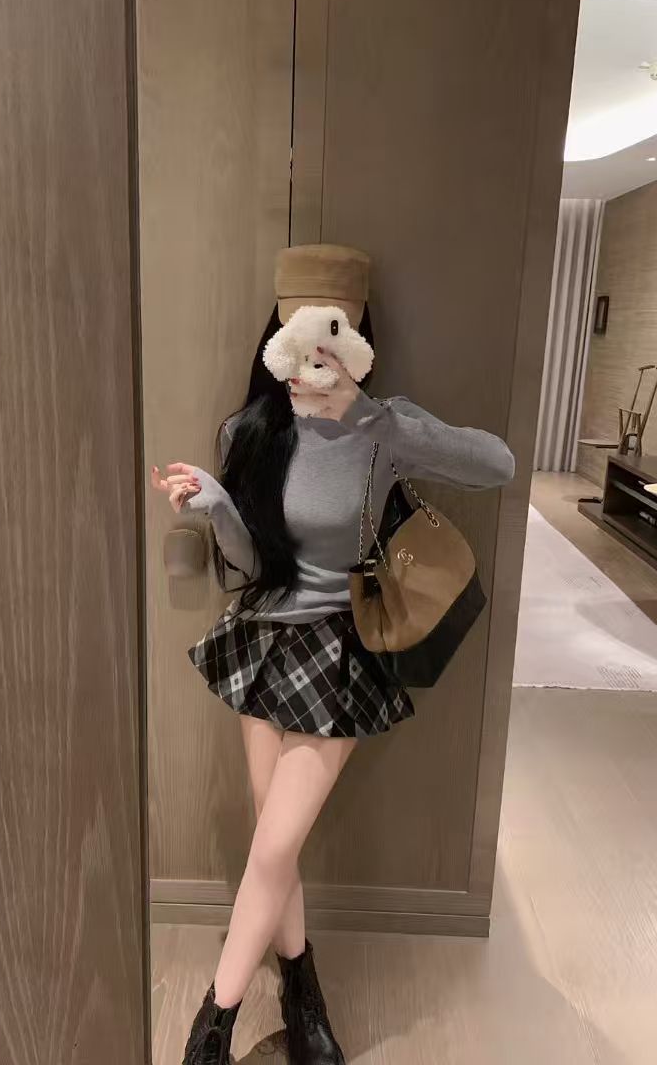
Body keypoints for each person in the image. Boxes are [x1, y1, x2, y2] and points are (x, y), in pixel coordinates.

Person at [151, 245, 515, 1065]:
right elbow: (251, 564)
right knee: (273, 845)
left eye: (332, 333)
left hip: (340, 650)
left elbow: (498, 465)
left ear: (355, 336)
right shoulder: (251, 428)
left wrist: (373, 413)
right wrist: (214, 503)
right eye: (298, 333)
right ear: (276, 335)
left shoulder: (381, 429)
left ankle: (211, 1028)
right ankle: (301, 988)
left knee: (276, 845)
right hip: (261, 639)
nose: (312, 354)